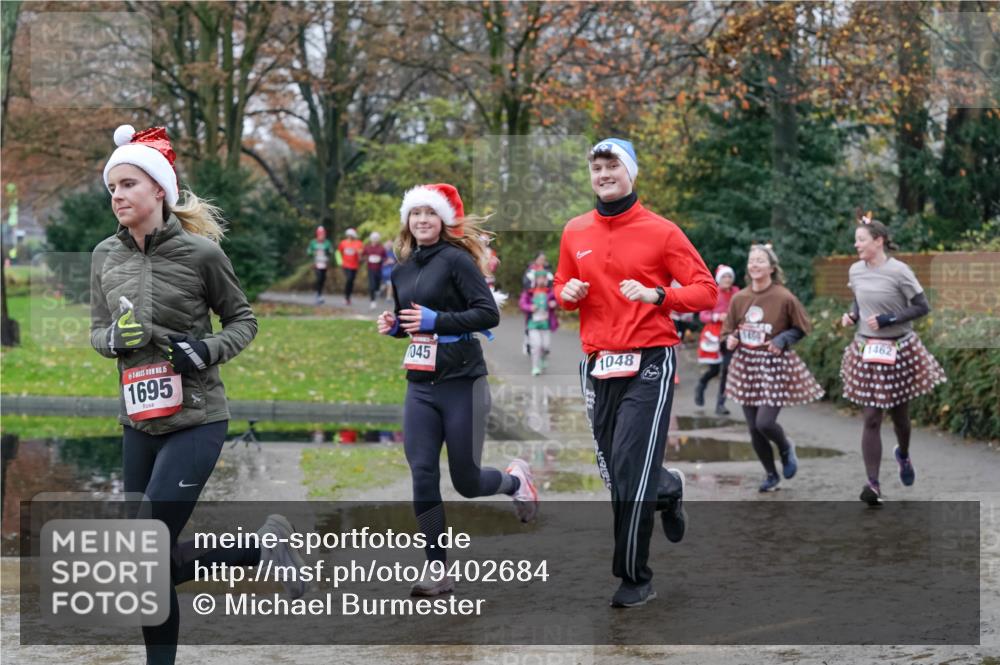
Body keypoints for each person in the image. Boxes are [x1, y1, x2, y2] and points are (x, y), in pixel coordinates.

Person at [92, 125, 304, 665]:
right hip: (138, 419)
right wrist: (113, 340)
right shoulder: (104, 257)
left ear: (158, 190)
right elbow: (97, 331)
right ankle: (259, 548)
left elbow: (243, 320)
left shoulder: (201, 254)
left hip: (196, 417)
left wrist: (205, 351)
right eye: (112, 186)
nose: (117, 195)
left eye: (128, 184)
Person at [553, 138, 717, 608]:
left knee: (630, 467)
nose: (603, 174)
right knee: (617, 472)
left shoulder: (662, 232)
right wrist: (568, 293)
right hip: (599, 362)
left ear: (630, 173)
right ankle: (667, 487)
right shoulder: (574, 231)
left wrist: (659, 296)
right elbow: (562, 284)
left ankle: (634, 576)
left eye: (612, 166)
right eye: (597, 168)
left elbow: (705, 291)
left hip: (650, 358)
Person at [376, 183, 538, 597]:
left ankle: (515, 481)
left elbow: (487, 313)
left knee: (466, 481)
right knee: (423, 472)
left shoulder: (457, 261)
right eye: (416, 214)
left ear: (444, 219)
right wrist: (396, 327)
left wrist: (436, 321)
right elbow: (411, 320)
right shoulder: (403, 268)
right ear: (407, 221)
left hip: (462, 381)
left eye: (430, 213)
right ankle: (436, 567)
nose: (423, 220)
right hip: (420, 384)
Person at [838, 213, 946, 506]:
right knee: (871, 417)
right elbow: (859, 299)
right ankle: (872, 485)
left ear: (878, 240)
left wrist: (889, 318)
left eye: (861, 239)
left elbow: (922, 306)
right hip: (866, 350)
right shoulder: (855, 271)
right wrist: (854, 315)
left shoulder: (899, 271)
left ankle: (903, 454)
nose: (856, 244)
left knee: (900, 417)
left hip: (898, 348)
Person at [722, 244, 823, 493]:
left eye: (760, 260)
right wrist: (730, 340)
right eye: (751, 261)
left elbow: (802, 327)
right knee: (753, 427)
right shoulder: (739, 298)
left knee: (765, 423)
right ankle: (771, 475)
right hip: (746, 366)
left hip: (774, 365)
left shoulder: (784, 297)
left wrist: (782, 339)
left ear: (771, 267)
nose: (754, 264)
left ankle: (786, 447)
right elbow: (726, 332)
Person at [695, 265, 739, 415]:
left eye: (729, 277)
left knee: (727, 369)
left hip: (730, 334)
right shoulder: (713, 293)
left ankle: (720, 404)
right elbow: (702, 316)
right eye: (724, 277)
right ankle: (701, 384)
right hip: (714, 334)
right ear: (719, 279)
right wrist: (717, 316)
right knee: (714, 370)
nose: (727, 279)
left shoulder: (736, 292)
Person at [519, 269, 559, 376]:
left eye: (544, 278)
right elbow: (522, 303)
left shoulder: (550, 292)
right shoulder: (529, 292)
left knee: (545, 346)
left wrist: (554, 303)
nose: (542, 280)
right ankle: (535, 367)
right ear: (535, 279)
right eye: (539, 278)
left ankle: (544, 357)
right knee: (536, 345)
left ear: (547, 279)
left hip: (546, 324)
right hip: (533, 323)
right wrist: (530, 307)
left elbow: (559, 300)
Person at [307, 225, 333, 304]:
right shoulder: (313, 242)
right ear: (317, 235)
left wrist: (328, 253)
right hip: (317, 263)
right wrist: (312, 252)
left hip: (324, 263)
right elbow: (308, 251)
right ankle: (318, 294)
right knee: (318, 278)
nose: (322, 236)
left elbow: (331, 251)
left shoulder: (327, 242)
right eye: (320, 234)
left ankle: (320, 293)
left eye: (323, 234)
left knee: (322, 279)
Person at [362, 231, 387, 309]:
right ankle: (372, 301)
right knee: (372, 286)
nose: (374, 240)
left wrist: (381, 259)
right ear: (371, 239)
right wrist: (366, 259)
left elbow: (385, 258)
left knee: (377, 286)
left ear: (378, 239)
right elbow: (363, 256)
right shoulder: (367, 247)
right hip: (370, 269)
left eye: (376, 239)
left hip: (379, 269)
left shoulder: (381, 248)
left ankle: (378, 290)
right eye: (373, 238)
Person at [337, 227, 363, 305]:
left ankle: (348, 296)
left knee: (351, 281)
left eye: (351, 235)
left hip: (354, 265)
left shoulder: (358, 243)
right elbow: (338, 252)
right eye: (348, 235)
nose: (350, 237)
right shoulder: (343, 243)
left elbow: (360, 253)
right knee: (349, 279)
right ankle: (346, 297)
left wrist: (359, 253)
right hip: (345, 265)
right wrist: (340, 261)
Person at [381, 238, 396, 303]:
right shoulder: (382, 252)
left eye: (390, 244)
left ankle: (388, 297)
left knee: (390, 284)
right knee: (385, 285)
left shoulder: (393, 253)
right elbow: (380, 260)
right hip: (383, 271)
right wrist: (386, 262)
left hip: (391, 271)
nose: (389, 246)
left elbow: (395, 261)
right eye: (388, 244)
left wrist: (392, 261)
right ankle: (380, 290)